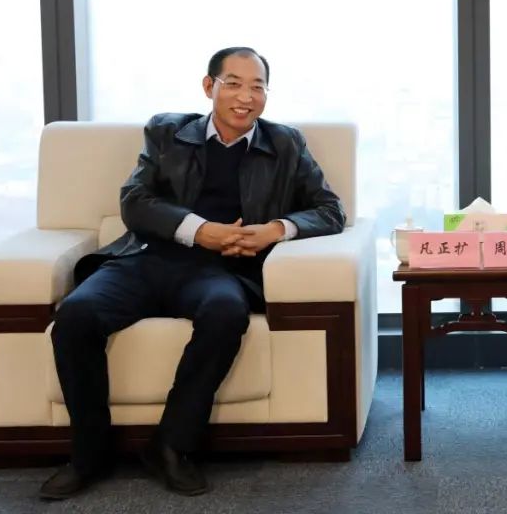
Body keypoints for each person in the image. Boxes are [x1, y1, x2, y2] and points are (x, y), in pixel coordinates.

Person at [40, 47, 345, 499]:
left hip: (221, 271)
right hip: (147, 258)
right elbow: (134, 201)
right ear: (209, 87)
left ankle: (170, 446)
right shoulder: (167, 131)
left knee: (226, 313)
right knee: (76, 314)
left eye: (257, 87)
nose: (246, 97)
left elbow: (330, 210)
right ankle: (89, 453)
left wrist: (274, 230)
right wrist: (200, 231)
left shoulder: (285, 143)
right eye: (233, 84)